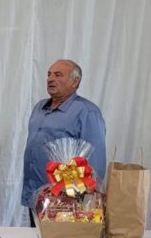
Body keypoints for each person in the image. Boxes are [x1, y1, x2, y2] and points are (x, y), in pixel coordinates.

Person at [22, 59, 107, 226]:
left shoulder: (88, 112)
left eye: (58, 75)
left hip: (65, 202)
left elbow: (96, 163)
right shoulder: (39, 108)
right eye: (49, 74)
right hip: (36, 195)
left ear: (75, 81)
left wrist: (85, 202)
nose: (50, 79)